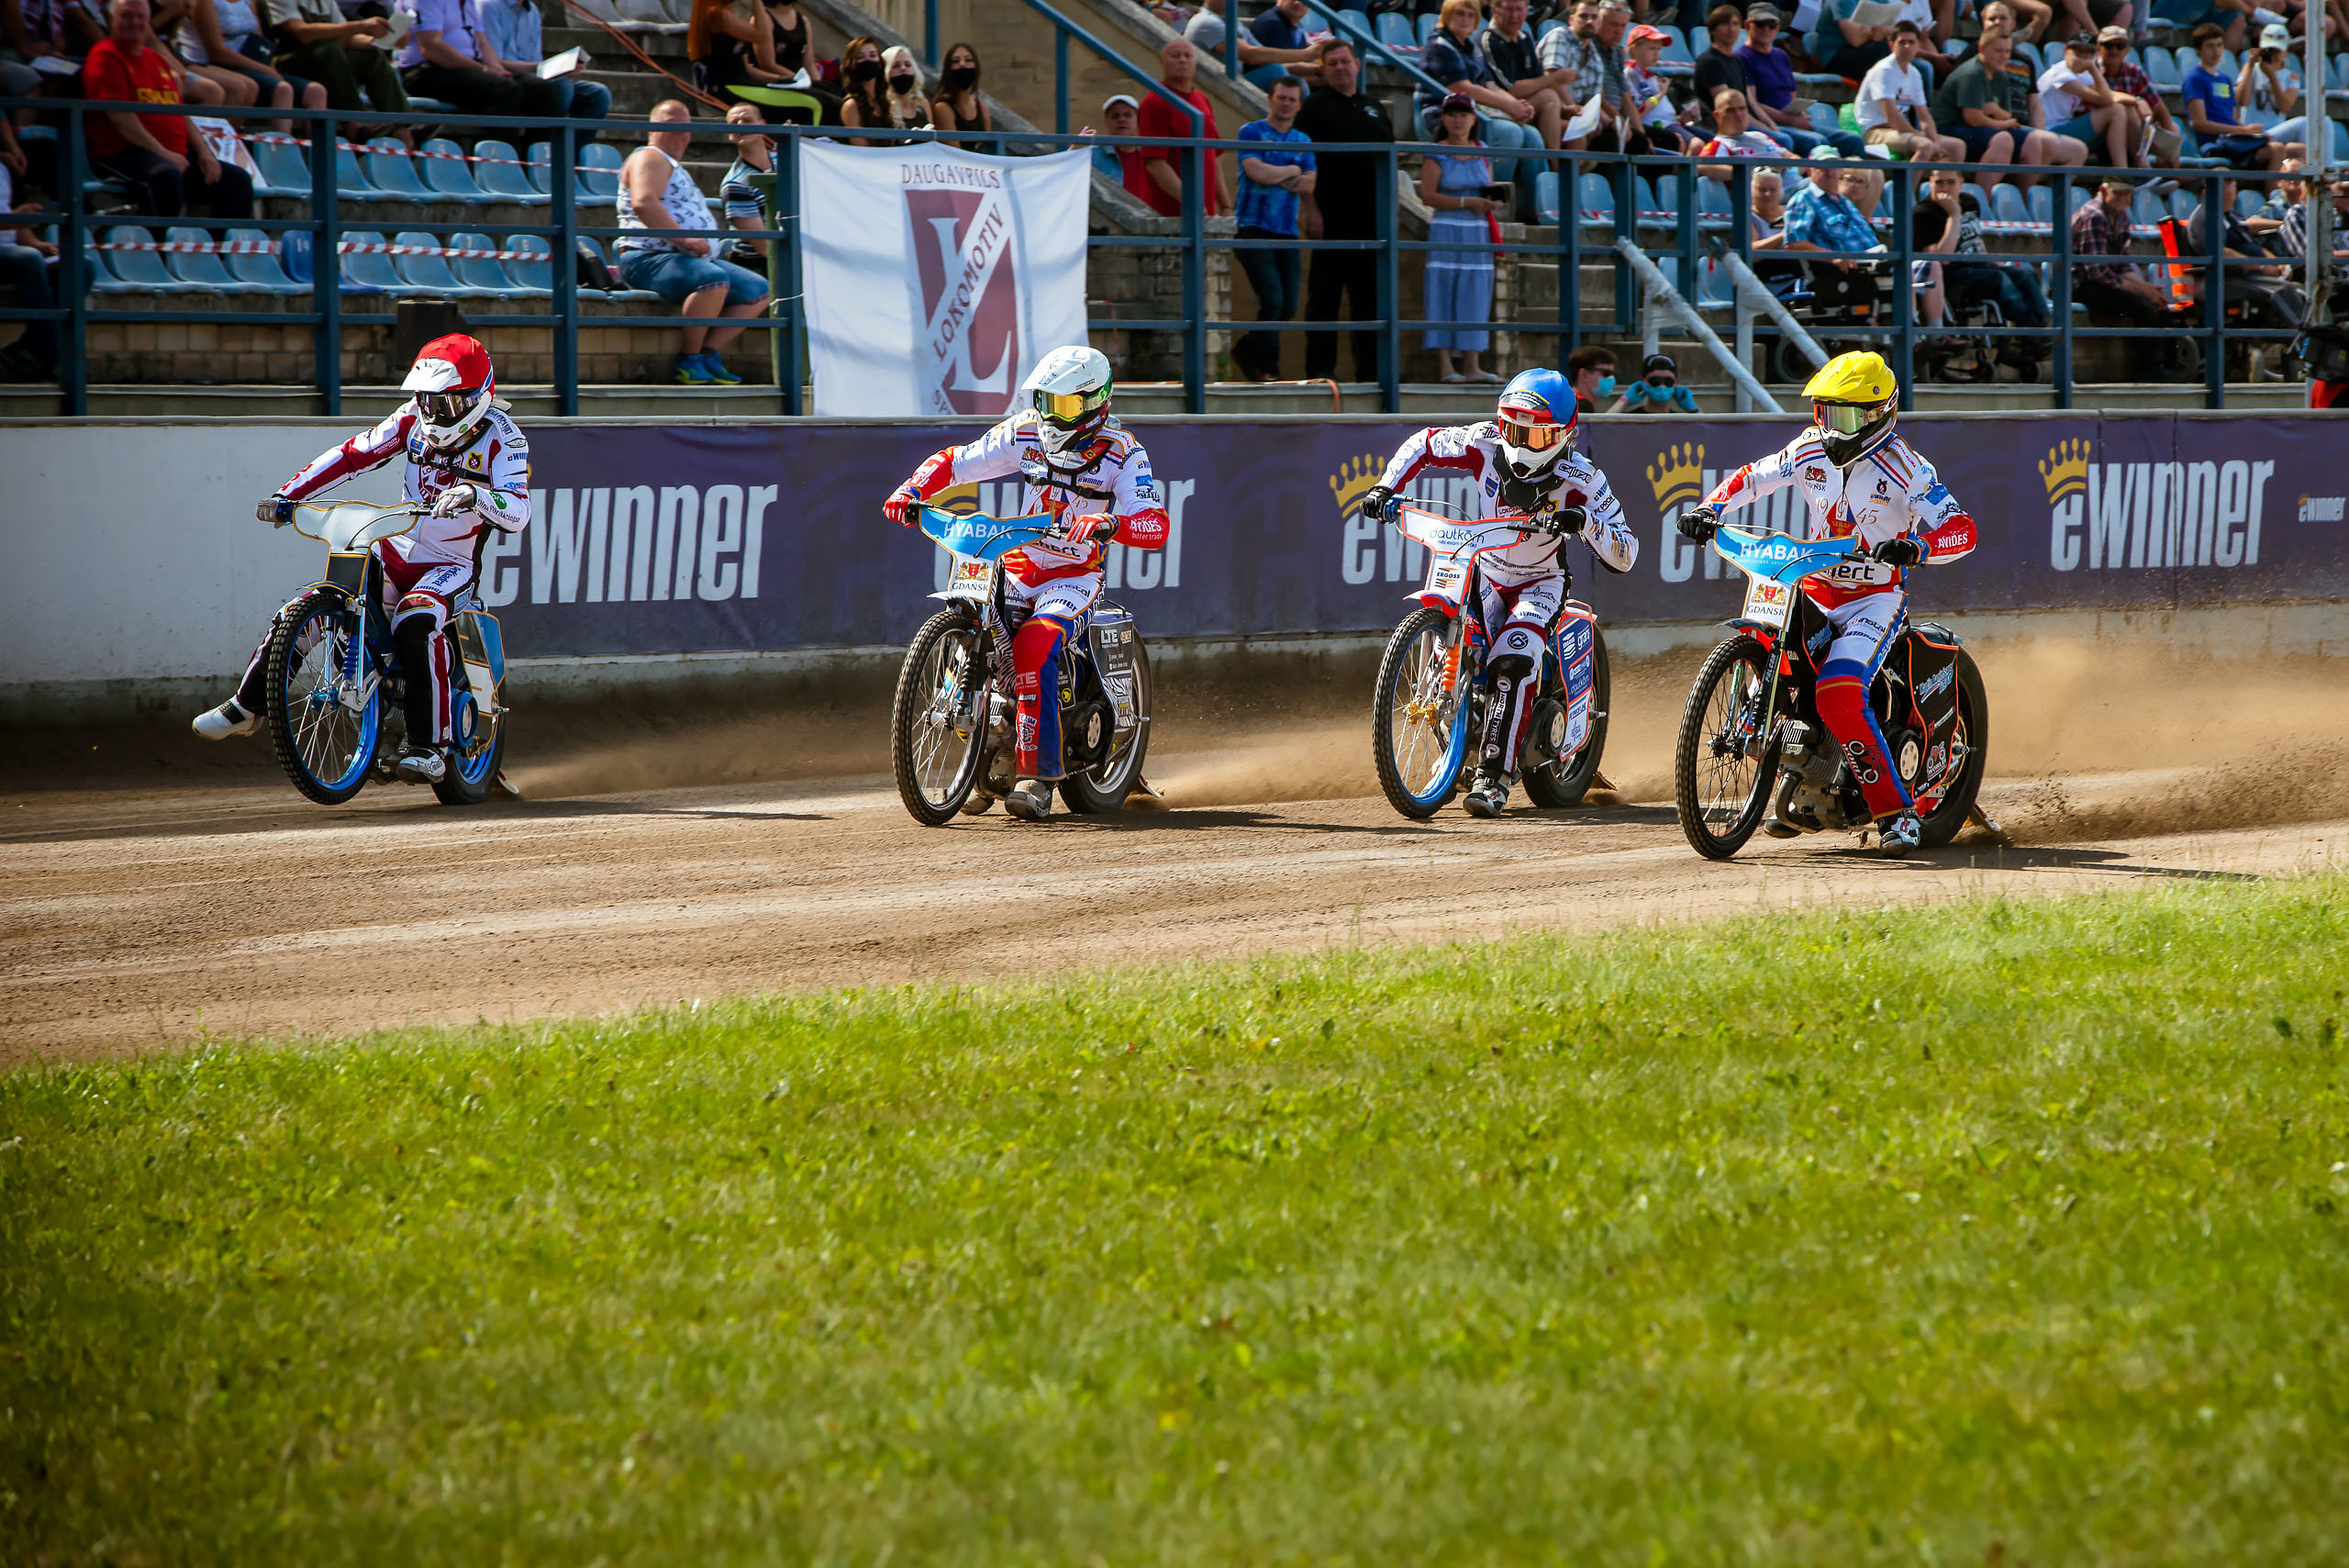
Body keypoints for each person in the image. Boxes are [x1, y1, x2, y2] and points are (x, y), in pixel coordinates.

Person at [1676, 351, 1977, 857]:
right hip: (1811, 584)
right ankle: (1794, 763)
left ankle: (1895, 813)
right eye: (1823, 412)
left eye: (1842, 415)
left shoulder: (1907, 467)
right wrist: (1710, 508)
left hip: (1874, 601)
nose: (1829, 427)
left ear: (1879, 413)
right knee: (1767, 653)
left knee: (1838, 692)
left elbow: (1961, 530)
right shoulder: (1808, 449)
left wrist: (1917, 547)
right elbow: (1755, 476)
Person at [195, 335, 529, 786]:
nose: (431, 413)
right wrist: (288, 496)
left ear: (476, 398)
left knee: (416, 619)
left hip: (452, 562)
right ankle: (246, 704)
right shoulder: (411, 418)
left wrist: (476, 493)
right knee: (319, 602)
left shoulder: (504, 437)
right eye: (425, 400)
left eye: (445, 404)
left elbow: (518, 510)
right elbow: (354, 454)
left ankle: (430, 745)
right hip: (399, 542)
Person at [881, 346, 1170, 822]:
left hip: (1075, 576)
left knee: (1035, 646)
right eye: (1044, 400)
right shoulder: (1025, 430)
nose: (1051, 415)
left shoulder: (1125, 453)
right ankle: (982, 753)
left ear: (1097, 401)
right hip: (1017, 562)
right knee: (981, 634)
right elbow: (959, 461)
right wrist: (912, 489)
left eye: (1066, 405)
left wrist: (1108, 526)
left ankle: (1039, 778)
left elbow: (1154, 524)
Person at [1355, 369, 1639, 817]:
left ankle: (1493, 779)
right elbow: (1423, 443)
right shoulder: (1483, 440)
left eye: (1536, 434)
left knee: (1511, 659)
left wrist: (1584, 523)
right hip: (1482, 566)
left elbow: (1626, 553)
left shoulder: (1583, 478)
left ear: (1566, 434)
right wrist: (1386, 486)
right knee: (1455, 652)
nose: (1520, 443)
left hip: (1540, 582)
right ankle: (1457, 756)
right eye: (1511, 428)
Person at [617, 100, 772, 385]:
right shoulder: (650, 157)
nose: (681, 134)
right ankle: (688, 360)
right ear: (652, 128)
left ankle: (708, 355)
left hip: (688, 259)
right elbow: (644, 202)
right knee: (712, 279)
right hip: (647, 257)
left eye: (685, 127)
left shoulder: (671, 163)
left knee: (758, 290)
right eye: (671, 126)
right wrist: (685, 238)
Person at [83, 0, 252, 221]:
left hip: (172, 155)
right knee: (166, 175)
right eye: (126, 16)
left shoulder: (156, 60)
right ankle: (163, 249)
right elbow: (122, 119)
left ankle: (219, 251)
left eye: (140, 17)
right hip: (124, 153)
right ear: (112, 20)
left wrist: (204, 152)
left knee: (236, 181)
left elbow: (178, 111)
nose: (134, 22)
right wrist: (165, 154)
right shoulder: (105, 57)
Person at [1296, 37, 1393, 384]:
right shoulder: (1314, 107)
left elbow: (1388, 161)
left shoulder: (1374, 108)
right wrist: (1311, 209)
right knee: (1324, 299)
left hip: (1373, 223)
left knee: (1370, 304)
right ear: (1323, 70)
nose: (1340, 68)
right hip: (1331, 219)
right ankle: (1320, 374)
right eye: (1332, 63)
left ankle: (1372, 375)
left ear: (1357, 64)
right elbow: (1303, 162)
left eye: (1344, 61)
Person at [1913, 163, 2049, 355]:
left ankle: (2041, 331)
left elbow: (1974, 239)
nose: (1944, 188)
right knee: (2001, 280)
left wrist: (1990, 259)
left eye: (1950, 182)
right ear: (1930, 183)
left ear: (1961, 183)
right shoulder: (1923, 213)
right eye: (1939, 183)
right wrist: (1954, 216)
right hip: (1952, 274)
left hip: (1979, 265)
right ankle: (2030, 333)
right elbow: (1941, 259)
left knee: (2025, 274)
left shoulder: (1970, 202)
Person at [1232, 75, 1315, 382]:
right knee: (1273, 300)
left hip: (1286, 232)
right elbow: (1256, 172)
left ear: (1299, 104)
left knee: (1289, 305)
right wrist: (1293, 170)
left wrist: (1279, 174)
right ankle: (1268, 367)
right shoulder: (1251, 131)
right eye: (1281, 97)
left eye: (1292, 99)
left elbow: (1310, 184)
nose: (1286, 103)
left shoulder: (1303, 140)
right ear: (1270, 99)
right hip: (1253, 227)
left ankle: (1246, 349)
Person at [1420, 93, 1499, 384]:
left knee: (1476, 294)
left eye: (1463, 113)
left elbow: (1488, 188)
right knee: (1442, 292)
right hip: (1446, 229)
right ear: (1442, 118)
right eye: (1452, 113)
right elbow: (1428, 195)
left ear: (1474, 119)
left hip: (1477, 232)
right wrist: (1467, 203)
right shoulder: (1436, 151)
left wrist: (1492, 202)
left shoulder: (1483, 150)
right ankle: (1445, 366)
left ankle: (1473, 364)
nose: (1457, 119)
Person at [1933, 30, 2063, 188]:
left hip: (1983, 129)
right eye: (1998, 51)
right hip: (1951, 128)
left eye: (2007, 51)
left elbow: (2006, 114)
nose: (2004, 56)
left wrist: (1994, 110)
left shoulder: (2000, 74)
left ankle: (2023, 201)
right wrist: (2005, 123)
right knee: (2003, 139)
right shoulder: (1971, 74)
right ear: (1981, 48)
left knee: (2033, 141)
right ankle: (1984, 201)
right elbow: (1973, 118)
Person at [396, 0, 561, 117]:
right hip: (427, 72)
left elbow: (482, 43)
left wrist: (497, 69)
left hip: (467, 70)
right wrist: (484, 70)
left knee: (541, 89)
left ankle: (538, 160)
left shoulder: (468, 2)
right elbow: (432, 47)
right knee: (504, 89)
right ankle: (496, 157)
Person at [2187, 172, 2308, 328]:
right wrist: (2261, 266)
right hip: (2224, 278)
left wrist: (2277, 263)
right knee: (2282, 290)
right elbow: (2221, 253)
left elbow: (2252, 243)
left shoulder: (2230, 216)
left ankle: (2316, 338)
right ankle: (2303, 338)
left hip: (2248, 275)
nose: (2228, 198)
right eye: (2223, 194)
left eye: (2231, 194)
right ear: (2206, 193)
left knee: (2300, 290)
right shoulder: (2205, 217)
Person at [178, 0, 320, 130]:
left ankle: (316, 153)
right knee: (282, 89)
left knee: (316, 91)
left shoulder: (249, 2)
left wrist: (269, 65)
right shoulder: (204, 3)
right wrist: (266, 70)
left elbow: (260, 43)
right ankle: (265, 151)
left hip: (250, 64)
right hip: (213, 64)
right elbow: (218, 53)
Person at [1420, 0, 1539, 155]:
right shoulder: (1440, 45)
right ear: (1447, 16)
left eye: (1470, 15)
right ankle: (1494, 179)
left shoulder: (1474, 49)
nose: (1465, 19)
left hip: (1476, 113)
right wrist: (1509, 106)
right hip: (1445, 114)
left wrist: (1517, 106)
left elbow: (1491, 85)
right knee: (1510, 132)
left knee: (1533, 137)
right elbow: (1462, 88)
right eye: (1460, 13)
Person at [1741, 3, 1861, 155]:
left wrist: (1799, 114)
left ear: (1778, 28)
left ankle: (1854, 178)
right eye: (1759, 24)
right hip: (1770, 123)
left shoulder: (1781, 55)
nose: (1766, 29)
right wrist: (1790, 120)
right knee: (1815, 142)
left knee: (1852, 140)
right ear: (1746, 25)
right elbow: (1754, 103)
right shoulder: (1742, 58)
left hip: (1792, 120)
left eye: (1771, 25)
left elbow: (1792, 94)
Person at [2181, 21, 2296, 172]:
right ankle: (2274, 194)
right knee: (2277, 149)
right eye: (2210, 46)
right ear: (2198, 50)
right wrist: (2242, 131)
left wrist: (2248, 132)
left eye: (2219, 45)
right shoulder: (2195, 78)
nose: (2216, 51)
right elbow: (2200, 124)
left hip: (2234, 140)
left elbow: (2233, 117)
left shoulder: (2225, 79)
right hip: (2216, 143)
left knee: (2295, 150)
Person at [476, 0, 611, 126]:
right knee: (561, 86)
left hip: (533, 78)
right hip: (507, 78)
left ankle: (575, 149)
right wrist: (541, 67)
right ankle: (550, 145)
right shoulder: (489, 6)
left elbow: (537, 61)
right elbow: (493, 61)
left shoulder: (532, 10)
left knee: (597, 94)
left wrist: (563, 69)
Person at [263, 0, 409, 115]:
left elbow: (345, 39)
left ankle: (401, 128)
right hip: (285, 64)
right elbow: (301, 33)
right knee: (329, 49)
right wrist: (361, 26)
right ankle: (354, 124)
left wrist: (384, 41)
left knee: (371, 55)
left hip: (324, 63)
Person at [1138, 38, 1226, 217]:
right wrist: (1192, 202)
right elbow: (1155, 162)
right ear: (1162, 62)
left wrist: (1225, 205)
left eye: (1188, 56)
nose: (1182, 60)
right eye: (1175, 56)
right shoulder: (1155, 101)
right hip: (1173, 214)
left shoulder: (1202, 99)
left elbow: (1213, 154)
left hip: (1206, 214)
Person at [1857, 24, 1962, 163]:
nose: (1907, 46)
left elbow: (1924, 116)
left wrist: (1935, 141)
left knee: (1957, 146)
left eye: (1911, 42)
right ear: (1891, 45)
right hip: (1875, 131)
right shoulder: (1884, 70)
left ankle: (1941, 183)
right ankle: (1909, 185)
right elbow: (1892, 116)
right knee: (1925, 145)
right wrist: (1922, 138)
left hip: (1898, 131)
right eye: (1902, 42)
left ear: (1918, 45)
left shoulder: (1914, 73)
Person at [1477, 0, 1575, 149]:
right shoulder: (1489, 40)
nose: (1514, 16)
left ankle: (1574, 170)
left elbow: (1537, 80)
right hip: (1501, 107)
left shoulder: (1524, 38)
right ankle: (1555, 168)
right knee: (1548, 97)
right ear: (1494, 10)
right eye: (1509, 9)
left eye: (1519, 10)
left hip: (1529, 106)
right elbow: (1511, 89)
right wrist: (1554, 78)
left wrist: (1565, 108)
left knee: (1574, 131)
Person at [2036, 29, 2141, 167]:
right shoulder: (2061, 76)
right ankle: (2122, 173)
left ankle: (2137, 166)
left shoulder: (2080, 74)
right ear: (2066, 50)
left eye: (2088, 53)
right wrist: (2093, 69)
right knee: (2116, 110)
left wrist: (2137, 101)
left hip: (2064, 130)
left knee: (2126, 109)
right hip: (2050, 132)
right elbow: (2107, 100)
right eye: (2078, 52)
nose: (2083, 58)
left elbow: (2109, 94)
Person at [2096, 25, 2176, 165]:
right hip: (2099, 134)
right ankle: (2143, 170)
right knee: (2127, 109)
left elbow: (2160, 109)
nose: (2114, 50)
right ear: (2099, 47)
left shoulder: (2134, 72)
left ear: (2127, 50)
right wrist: (2137, 101)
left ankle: (2169, 172)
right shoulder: (2091, 70)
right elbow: (2105, 95)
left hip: (2132, 135)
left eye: (2119, 46)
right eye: (2108, 45)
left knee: (2173, 128)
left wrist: (2172, 152)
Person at [2235, 22, 2309, 150]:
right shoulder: (2249, 69)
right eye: (2270, 50)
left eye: (2277, 51)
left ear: (2285, 51)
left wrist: (2272, 77)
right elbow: (2242, 101)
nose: (2273, 56)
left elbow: (2284, 107)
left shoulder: (2291, 76)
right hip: (2252, 131)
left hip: (2277, 132)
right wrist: (2251, 67)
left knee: (2308, 126)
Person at [688, 0, 780, 102]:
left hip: (740, 87)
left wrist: (780, 79)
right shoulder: (719, 16)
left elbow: (746, 68)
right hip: (725, 90)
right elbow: (763, 36)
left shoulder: (728, 14)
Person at [718, 101, 774, 264]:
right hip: (758, 264)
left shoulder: (787, 161)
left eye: (747, 120)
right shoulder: (735, 184)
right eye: (734, 123)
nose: (741, 125)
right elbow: (764, 247)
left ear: (762, 125)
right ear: (729, 133)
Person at [1696, 87, 1785, 179]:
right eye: (1730, 110)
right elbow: (1702, 167)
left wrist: (1792, 170)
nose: (1738, 114)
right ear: (1717, 116)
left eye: (1742, 108)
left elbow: (1792, 157)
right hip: (1772, 191)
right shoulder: (1718, 145)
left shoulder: (1760, 136)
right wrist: (1758, 176)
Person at [1237, 0, 1325, 92]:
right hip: (1252, 85)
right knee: (1297, 83)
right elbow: (1280, 69)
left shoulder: (1297, 28)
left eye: (1303, 0)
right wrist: (1318, 70)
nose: (1297, 3)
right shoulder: (1271, 23)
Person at [1690, 4, 1748, 132]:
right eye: (1725, 24)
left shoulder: (1738, 60)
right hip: (1724, 125)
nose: (1731, 29)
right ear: (1713, 30)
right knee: (1784, 140)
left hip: (1744, 119)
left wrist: (1770, 125)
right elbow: (1729, 108)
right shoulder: (1710, 61)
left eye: (1735, 24)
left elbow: (1751, 102)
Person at [1091, 93, 1154, 205]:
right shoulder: (1091, 157)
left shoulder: (1152, 157)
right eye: (1115, 116)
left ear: (1138, 120)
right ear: (1107, 122)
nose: (1121, 120)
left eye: (1128, 115)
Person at [930, 40, 992, 150]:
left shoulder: (982, 108)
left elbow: (988, 146)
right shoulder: (942, 107)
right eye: (956, 61)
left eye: (968, 60)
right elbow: (954, 150)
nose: (962, 64)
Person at [836, 32, 889, 142]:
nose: (868, 60)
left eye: (872, 55)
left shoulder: (883, 101)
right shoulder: (851, 106)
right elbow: (860, 148)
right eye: (860, 57)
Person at [1610, 350, 1700, 411]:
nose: (1662, 386)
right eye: (1655, 381)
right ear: (1643, 382)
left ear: (1676, 383)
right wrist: (1624, 401)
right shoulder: (1631, 421)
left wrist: (1692, 408)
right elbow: (1600, 428)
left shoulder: (1681, 424)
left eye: (1668, 381)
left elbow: (1709, 434)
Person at [879, 45, 928, 128]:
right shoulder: (881, 105)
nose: (903, 68)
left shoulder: (922, 103)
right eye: (896, 66)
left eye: (908, 64)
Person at [1565, 341, 1616, 411]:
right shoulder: (1582, 406)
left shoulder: (1567, 402)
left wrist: (1624, 401)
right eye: (1606, 373)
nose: (1611, 378)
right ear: (1584, 374)